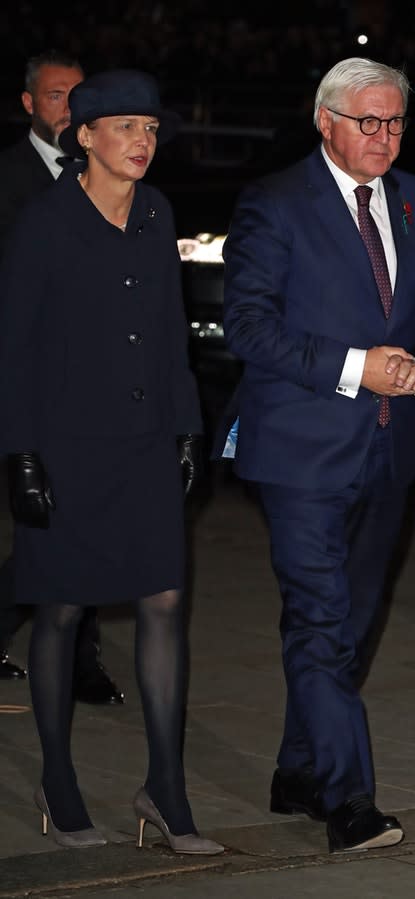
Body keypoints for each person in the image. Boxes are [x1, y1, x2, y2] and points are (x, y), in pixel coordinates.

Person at [222, 57, 415, 853]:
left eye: (395, 121)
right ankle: (348, 799)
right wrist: (357, 366)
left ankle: (298, 769)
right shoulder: (274, 202)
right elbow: (249, 329)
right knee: (321, 623)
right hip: (300, 451)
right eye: (369, 120)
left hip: (390, 448)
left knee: (351, 629)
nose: (385, 136)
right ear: (324, 120)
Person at [0, 69, 223, 854]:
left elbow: (169, 328)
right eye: (125, 127)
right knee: (60, 610)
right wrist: (20, 455)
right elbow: (15, 347)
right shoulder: (45, 221)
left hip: (145, 442)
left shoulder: (157, 213)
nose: (142, 142)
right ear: (84, 136)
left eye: (152, 129)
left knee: (164, 601)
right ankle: (59, 788)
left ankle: (165, 790)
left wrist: (189, 428)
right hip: (66, 448)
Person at [0, 49, 123, 705]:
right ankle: (77, 661)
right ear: (29, 104)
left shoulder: (103, 175)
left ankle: (82, 658)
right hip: (33, 379)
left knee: (80, 520)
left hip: (98, 379)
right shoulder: (10, 180)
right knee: (54, 523)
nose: (68, 107)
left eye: (78, 95)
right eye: (55, 95)